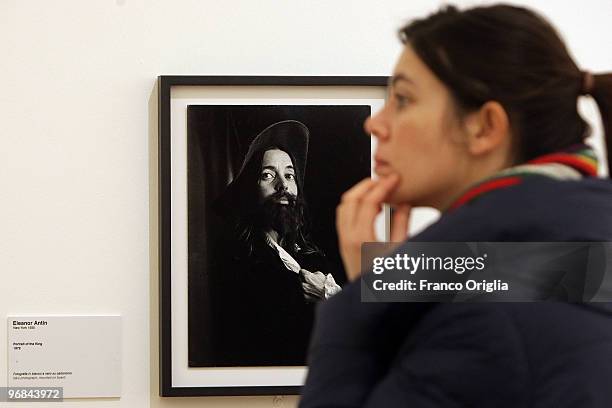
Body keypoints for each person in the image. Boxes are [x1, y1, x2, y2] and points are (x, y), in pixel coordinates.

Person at [300, 4, 612, 407]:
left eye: (403, 99)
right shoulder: (576, 256)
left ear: (484, 127)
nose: (374, 124)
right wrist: (396, 285)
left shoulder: (484, 321)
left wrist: (360, 307)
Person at [211, 119, 340, 366]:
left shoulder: (315, 256)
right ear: (251, 189)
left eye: (289, 175)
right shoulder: (237, 261)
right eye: (268, 175)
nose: (283, 185)